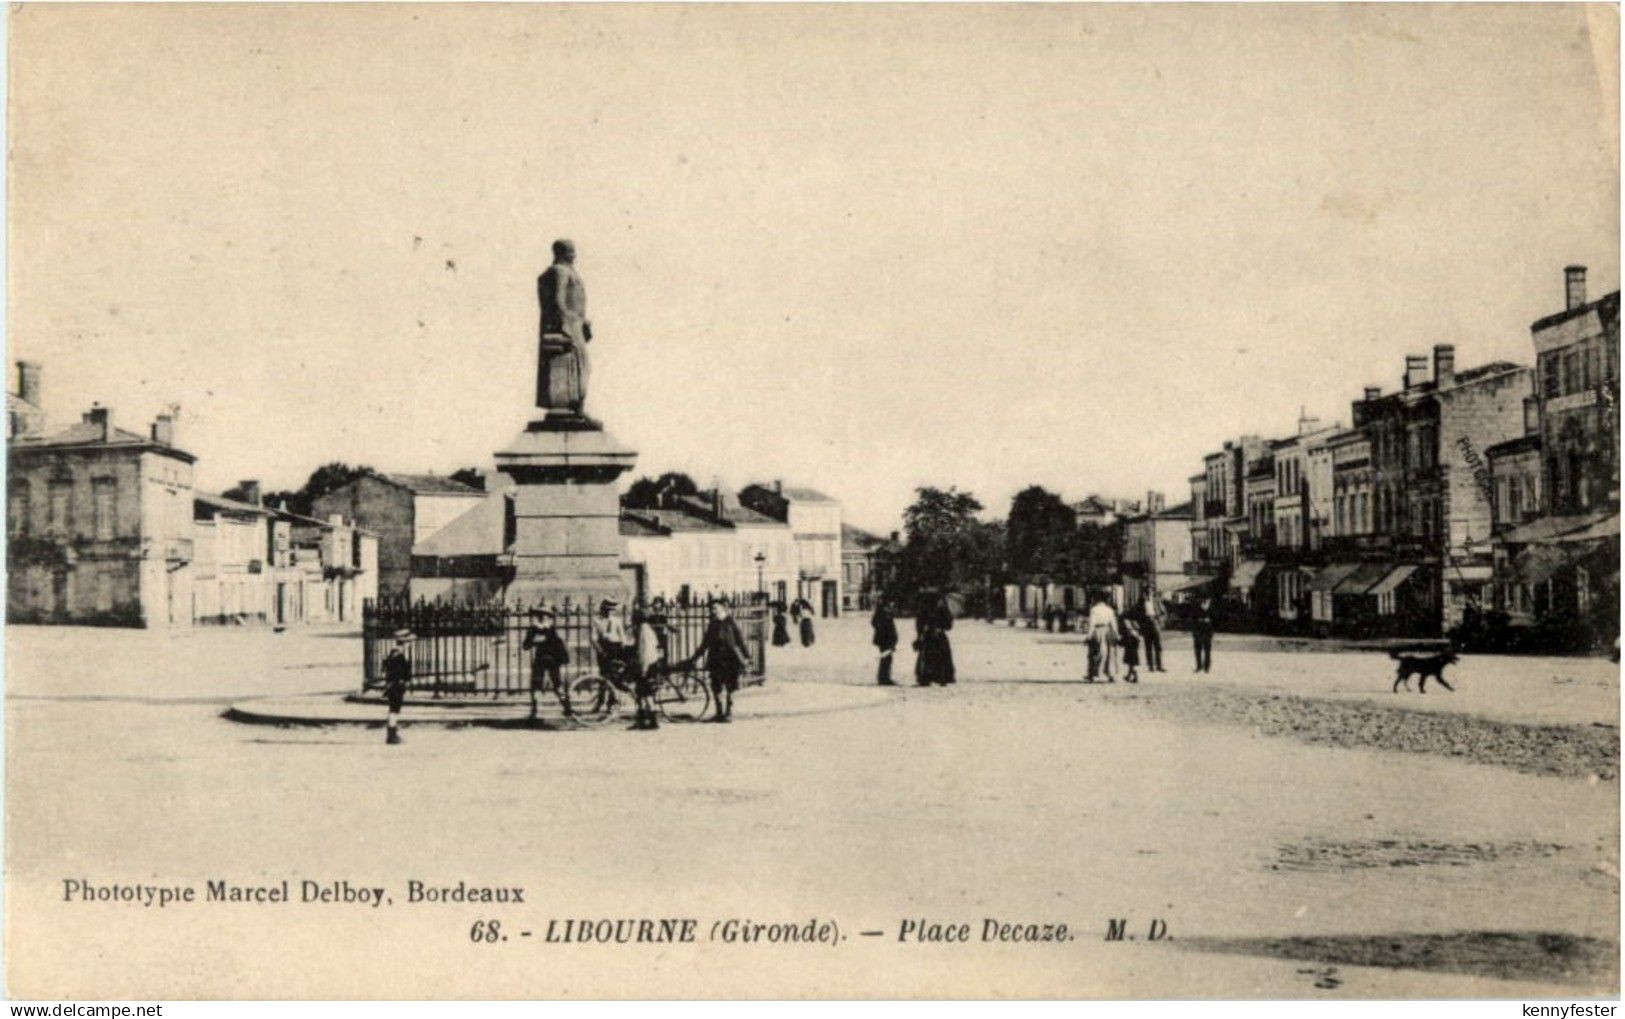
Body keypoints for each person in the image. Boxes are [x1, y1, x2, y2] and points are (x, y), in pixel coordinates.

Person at [536, 238, 593, 414]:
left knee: (582, 366)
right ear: (561, 253)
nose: (574, 255)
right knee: (573, 363)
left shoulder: (568, 271)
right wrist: (569, 325)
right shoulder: (559, 271)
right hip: (568, 326)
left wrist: (583, 322)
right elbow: (557, 302)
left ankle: (576, 406)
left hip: (575, 324)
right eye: (570, 252)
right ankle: (569, 406)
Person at [683, 600, 753, 722]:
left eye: (715, 608)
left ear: (723, 609)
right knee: (716, 686)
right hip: (716, 658)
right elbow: (705, 643)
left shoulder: (731, 622)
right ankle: (719, 712)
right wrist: (695, 658)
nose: (713, 611)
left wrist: (747, 658)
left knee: (730, 686)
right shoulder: (713, 624)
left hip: (731, 658)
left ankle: (728, 712)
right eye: (712, 608)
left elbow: (740, 641)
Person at [521, 608, 572, 720]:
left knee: (553, 684)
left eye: (545, 616)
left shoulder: (545, 629)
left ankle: (567, 708)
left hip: (549, 659)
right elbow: (525, 646)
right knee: (540, 684)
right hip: (544, 659)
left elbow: (527, 645)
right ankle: (535, 711)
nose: (543, 618)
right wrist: (535, 639)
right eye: (541, 615)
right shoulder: (537, 629)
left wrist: (536, 639)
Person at [630, 610, 666, 731]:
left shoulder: (643, 631)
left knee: (647, 693)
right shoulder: (646, 629)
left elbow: (645, 651)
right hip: (650, 664)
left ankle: (653, 721)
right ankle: (642, 720)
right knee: (641, 693)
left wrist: (644, 668)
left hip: (648, 664)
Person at [914, 591, 956, 686]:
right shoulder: (926, 610)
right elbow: (920, 624)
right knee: (934, 656)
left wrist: (941, 627)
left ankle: (940, 677)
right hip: (930, 637)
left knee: (938, 657)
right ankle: (929, 677)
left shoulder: (942, 610)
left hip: (937, 636)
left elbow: (948, 625)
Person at [381, 628, 413, 745]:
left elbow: (385, 668)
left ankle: (392, 733)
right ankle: (391, 735)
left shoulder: (394, 654)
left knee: (394, 710)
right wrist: (404, 680)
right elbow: (397, 672)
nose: (410, 644)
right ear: (404, 642)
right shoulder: (398, 656)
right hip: (396, 686)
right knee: (394, 710)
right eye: (409, 642)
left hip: (394, 685)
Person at [591, 598, 632, 676]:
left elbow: (622, 636)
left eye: (611, 609)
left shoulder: (617, 620)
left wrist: (623, 646)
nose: (609, 612)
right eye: (607, 609)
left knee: (617, 670)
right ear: (602, 608)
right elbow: (594, 638)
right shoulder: (596, 621)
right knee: (604, 671)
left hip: (616, 647)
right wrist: (600, 651)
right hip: (604, 647)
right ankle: (604, 686)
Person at [1086, 594, 1120, 683]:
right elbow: (1113, 623)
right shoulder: (1110, 610)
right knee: (1110, 653)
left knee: (1096, 652)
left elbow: (1092, 623)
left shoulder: (1094, 610)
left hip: (1098, 630)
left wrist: (1089, 635)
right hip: (1108, 631)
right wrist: (1116, 634)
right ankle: (1111, 674)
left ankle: (1094, 674)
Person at [871, 598, 899, 686]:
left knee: (887, 658)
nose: (893, 604)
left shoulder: (884, 611)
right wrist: (882, 631)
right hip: (885, 639)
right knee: (886, 659)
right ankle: (884, 678)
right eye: (892, 602)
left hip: (886, 639)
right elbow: (875, 623)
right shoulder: (884, 611)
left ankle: (884, 677)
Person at [1138, 592, 1166, 672]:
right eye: (1146, 591)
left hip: (1155, 622)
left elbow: (1163, 611)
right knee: (1148, 646)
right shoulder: (1141, 602)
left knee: (1158, 645)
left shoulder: (1156, 600)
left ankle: (1159, 665)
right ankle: (1150, 666)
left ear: (1152, 592)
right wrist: (1141, 623)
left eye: (1150, 591)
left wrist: (1160, 620)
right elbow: (1137, 613)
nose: (1147, 594)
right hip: (1146, 624)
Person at [1192, 595, 1215, 674]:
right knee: (1198, 649)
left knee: (1207, 650)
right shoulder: (1197, 608)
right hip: (1198, 631)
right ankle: (1199, 666)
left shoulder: (1211, 609)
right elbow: (1193, 619)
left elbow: (1215, 619)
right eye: (1206, 600)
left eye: (1208, 600)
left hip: (1208, 631)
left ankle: (1206, 667)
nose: (1207, 601)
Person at [1119, 616, 1142, 684]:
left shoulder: (1127, 634)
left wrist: (1119, 642)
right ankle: (1128, 676)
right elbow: (1138, 642)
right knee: (1131, 664)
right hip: (1134, 651)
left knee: (1131, 664)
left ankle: (1134, 676)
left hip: (1129, 650)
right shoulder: (1136, 634)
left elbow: (1122, 642)